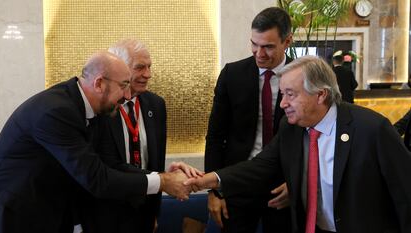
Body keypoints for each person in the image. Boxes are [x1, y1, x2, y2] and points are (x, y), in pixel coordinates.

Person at [188, 55, 411, 233]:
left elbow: (406, 194)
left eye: (291, 95)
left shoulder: (371, 129)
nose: (283, 103)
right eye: (283, 94)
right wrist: (209, 180)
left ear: (321, 95)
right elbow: (260, 167)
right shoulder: (291, 127)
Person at [0, 51, 200, 233]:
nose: (127, 95)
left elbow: (109, 164)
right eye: (123, 86)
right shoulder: (57, 112)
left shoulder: (93, 109)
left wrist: (163, 176)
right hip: (23, 215)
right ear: (99, 83)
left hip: (54, 210)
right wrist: (163, 182)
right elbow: (97, 179)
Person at [205, 7, 292, 233]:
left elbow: (316, 139)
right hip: (238, 182)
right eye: (255, 44)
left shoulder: (305, 76)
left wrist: (298, 184)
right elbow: (215, 136)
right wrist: (214, 191)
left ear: (287, 41)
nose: (259, 53)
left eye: (268, 47)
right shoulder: (233, 74)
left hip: (285, 187)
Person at [81, 40, 167, 233]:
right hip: (105, 213)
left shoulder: (156, 105)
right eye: (140, 68)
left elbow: (156, 162)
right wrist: (167, 180)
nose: (148, 74)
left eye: (149, 67)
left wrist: (154, 213)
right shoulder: (100, 107)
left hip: (143, 211)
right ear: (120, 69)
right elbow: (104, 164)